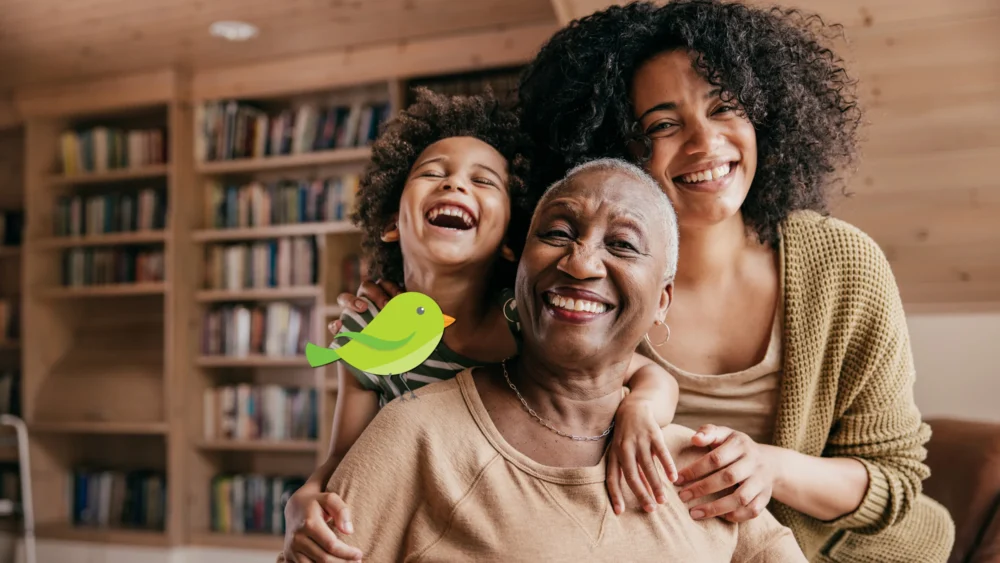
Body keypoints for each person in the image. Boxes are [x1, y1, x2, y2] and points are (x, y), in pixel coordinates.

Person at [509, 1, 956, 561]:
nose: (704, 142)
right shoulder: (578, 280)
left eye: (725, 107)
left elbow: (893, 479)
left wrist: (770, 466)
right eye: (664, 125)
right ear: (615, 148)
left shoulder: (843, 267)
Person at [315, 158, 808, 561]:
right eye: (556, 233)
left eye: (622, 244)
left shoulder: (705, 472)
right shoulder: (416, 435)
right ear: (521, 266)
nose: (581, 261)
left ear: (662, 302)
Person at [280, 89, 681, 563]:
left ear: (513, 241)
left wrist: (640, 411)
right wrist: (299, 503)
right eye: (433, 173)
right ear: (392, 220)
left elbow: (649, 374)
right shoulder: (367, 329)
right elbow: (343, 460)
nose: (454, 185)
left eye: (483, 181)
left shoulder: (526, 316)